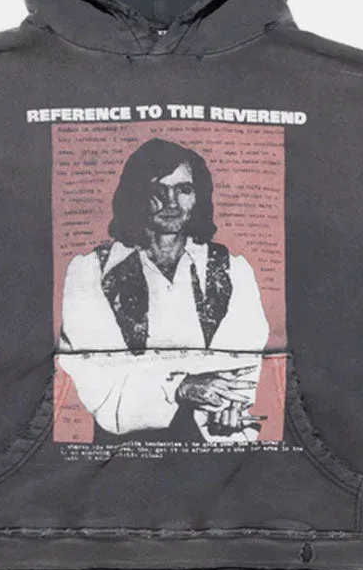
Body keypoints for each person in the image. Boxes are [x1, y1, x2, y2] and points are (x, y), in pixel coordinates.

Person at [57, 138, 270, 444]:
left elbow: (243, 365)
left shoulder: (233, 269)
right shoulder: (91, 272)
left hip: (214, 438)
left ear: (197, 197)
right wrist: (180, 386)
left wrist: (230, 406)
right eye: (158, 190)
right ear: (135, 196)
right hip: (122, 450)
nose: (171, 202)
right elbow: (101, 378)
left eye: (184, 189)